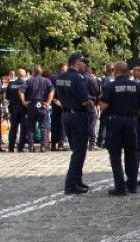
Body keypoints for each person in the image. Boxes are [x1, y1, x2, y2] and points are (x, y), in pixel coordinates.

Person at [98, 61, 140, 195]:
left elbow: (103, 106)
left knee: (115, 154)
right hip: (131, 121)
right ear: (127, 71)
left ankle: (119, 187)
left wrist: (99, 100)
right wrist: (133, 116)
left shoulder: (110, 86)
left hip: (115, 122)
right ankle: (132, 185)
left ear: (116, 71)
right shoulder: (136, 86)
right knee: (131, 153)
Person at [55, 53, 94, 194]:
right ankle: (71, 184)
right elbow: (84, 100)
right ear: (77, 63)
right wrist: (92, 101)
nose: (84, 65)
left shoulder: (60, 77)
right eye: (83, 62)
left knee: (75, 150)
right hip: (78, 115)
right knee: (79, 152)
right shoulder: (77, 78)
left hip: (65, 115)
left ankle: (77, 180)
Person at [22, 66, 54, 152]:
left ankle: (31, 145)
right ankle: (43, 146)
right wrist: (48, 102)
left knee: (31, 126)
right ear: (41, 72)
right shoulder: (47, 81)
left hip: (31, 104)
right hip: (42, 104)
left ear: (33, 72)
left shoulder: (28, 80)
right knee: (43, 126)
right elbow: (52, 91)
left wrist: (23, 101)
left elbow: (21, 91)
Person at [6, 68, 28, 152]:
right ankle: (20, 147)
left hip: (13, 108)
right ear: (25, 75)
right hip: (23, 108)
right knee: (23, 128)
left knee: (13, 128)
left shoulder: (11, 84)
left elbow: (7, 97)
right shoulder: (25, 84)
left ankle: (11, 147)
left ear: (17, 75)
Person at [97, 63, 115, 147]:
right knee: (111, 125)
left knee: (103, 124)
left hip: (105, 103)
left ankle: (100, 141)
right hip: (114, 105)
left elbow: (101, 93)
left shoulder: (104, 80)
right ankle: (109, 141)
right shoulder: (116, 79)